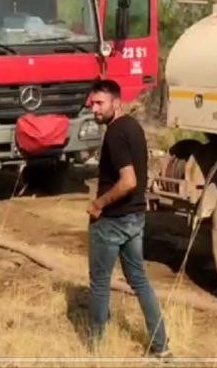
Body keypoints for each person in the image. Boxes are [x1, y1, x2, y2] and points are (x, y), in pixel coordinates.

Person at [85, 79, 171, 359]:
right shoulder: (133, 126)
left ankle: (95, 348)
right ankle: (161, 347)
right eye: (92, 103)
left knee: (100, 283)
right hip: (135, 218)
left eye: (100, 103)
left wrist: (98, 204)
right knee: (140, 281)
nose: (94, 109)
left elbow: (128, 181)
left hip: (112, 221)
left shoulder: (115, 134)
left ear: (116, 102)